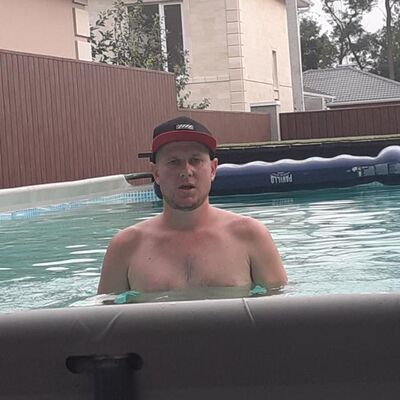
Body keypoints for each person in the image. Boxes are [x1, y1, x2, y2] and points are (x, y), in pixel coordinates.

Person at [98, 116, 287, 295]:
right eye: (174, 162)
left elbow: (280, 310)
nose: (186, 171)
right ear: (156, 173)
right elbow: (104, 315)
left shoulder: (250, 236)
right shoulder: (126, 247)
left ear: (212, 169)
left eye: (195, 160)